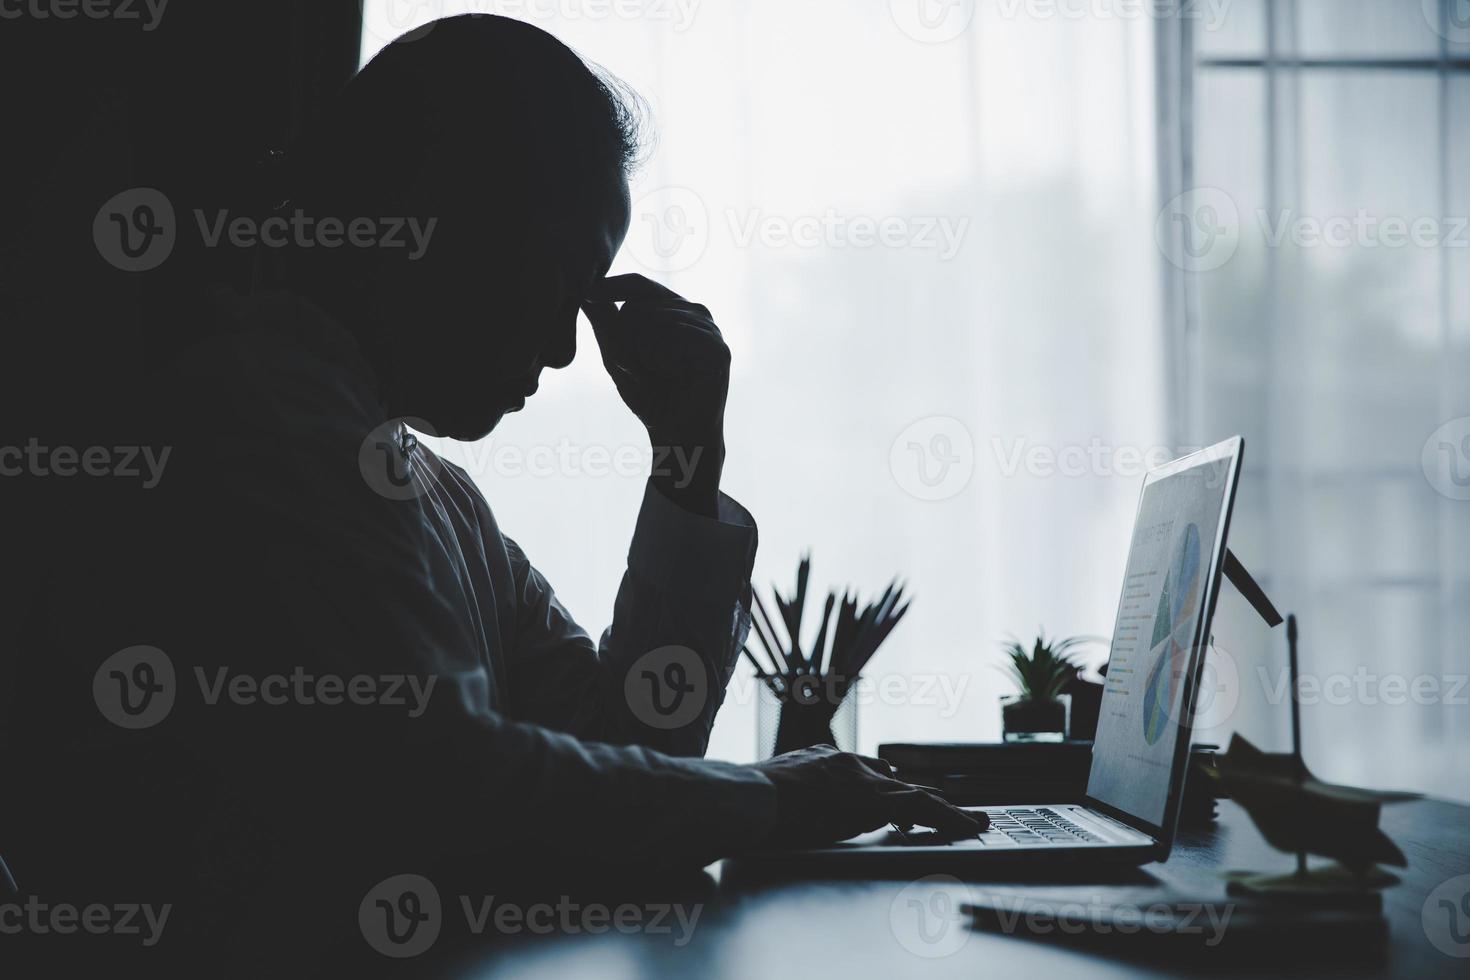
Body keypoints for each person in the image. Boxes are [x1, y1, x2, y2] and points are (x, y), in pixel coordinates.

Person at [7, 13, 978, 965]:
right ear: (434, 222)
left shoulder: (430, 491)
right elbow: (448, 788)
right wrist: (771, 797)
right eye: (558, 278)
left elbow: (633, 739)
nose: (563, 347)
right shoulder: (256, 423)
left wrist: (687, 457)